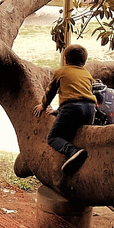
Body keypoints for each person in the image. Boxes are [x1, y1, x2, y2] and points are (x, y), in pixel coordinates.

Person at [36, 43, 96, 175]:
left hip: (71, 108)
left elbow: (50, 92)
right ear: (84, 62)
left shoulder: (61, 71)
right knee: (77, 133)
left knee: (53, 137)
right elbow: (81, 95)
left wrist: (43, 106)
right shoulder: (87, 74)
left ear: (65, 59)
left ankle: (71, 151)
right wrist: (58, 112)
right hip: (90, 109)